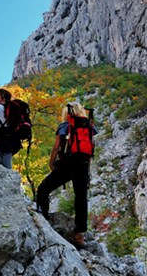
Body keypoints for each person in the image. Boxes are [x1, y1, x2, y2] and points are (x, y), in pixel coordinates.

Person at [36, 102, 96, 248]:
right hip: (83, 165)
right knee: (81, 198)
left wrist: (51, 163)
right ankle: (79, 235)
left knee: (43, 189)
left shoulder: (65, 125)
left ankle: (43, 219)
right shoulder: (89, 125)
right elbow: (90, 146)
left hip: (68, 164)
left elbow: (57, 146)